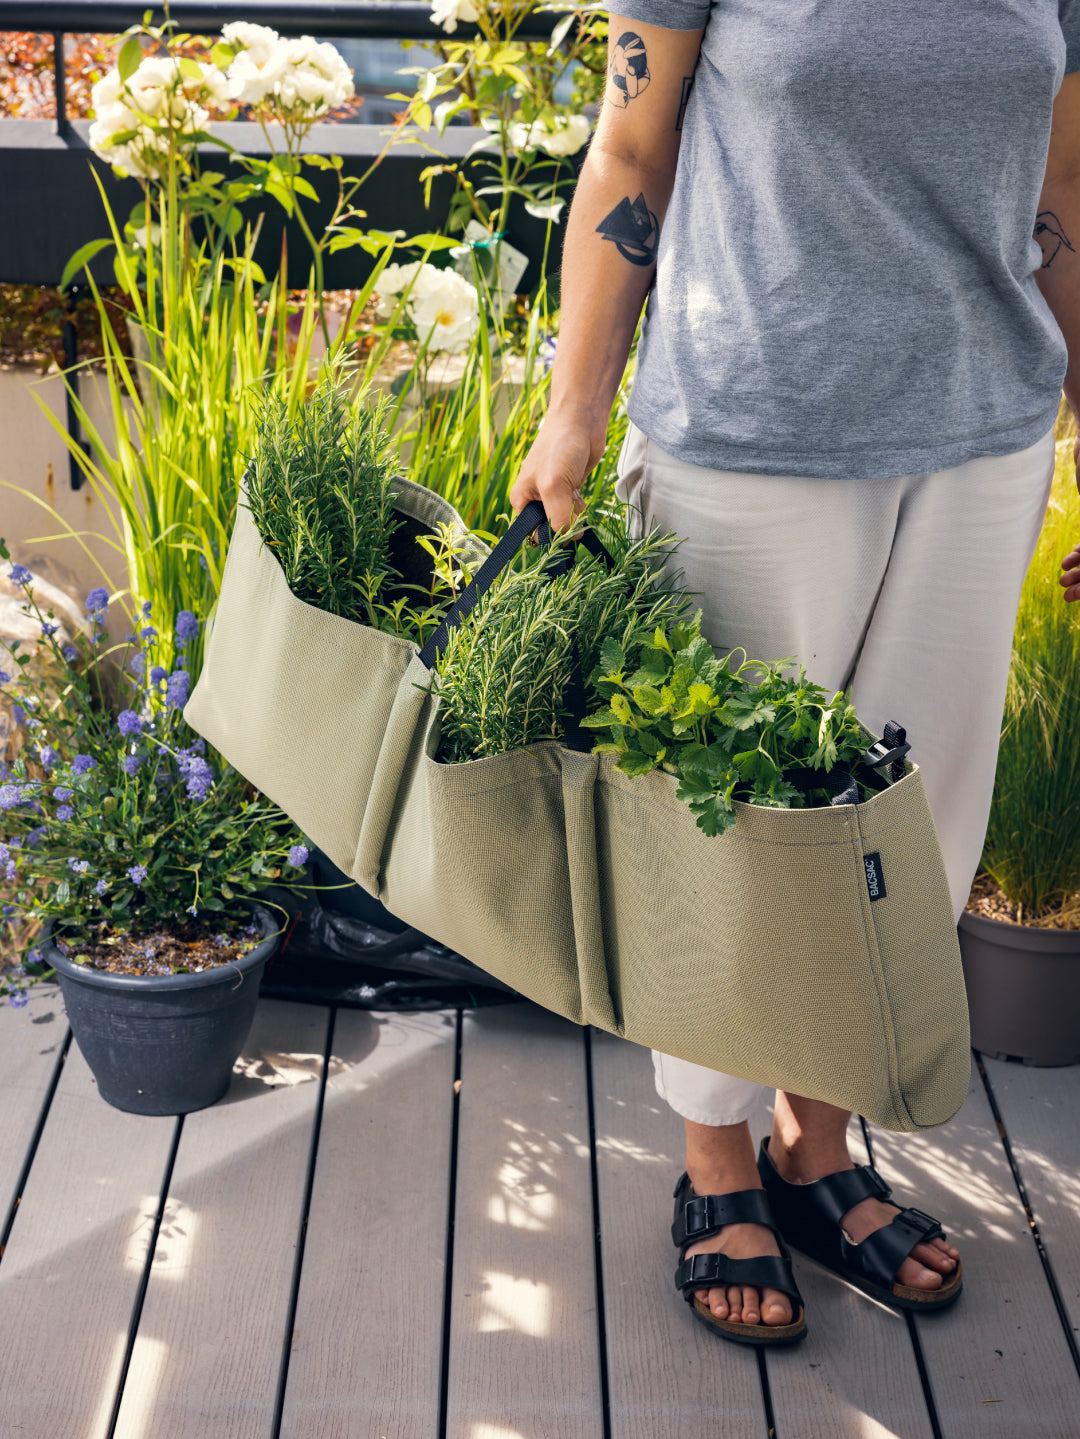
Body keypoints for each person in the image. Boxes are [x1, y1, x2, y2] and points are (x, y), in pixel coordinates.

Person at [510, 2, 1080, 1346]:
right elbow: (631, 150)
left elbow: (1060, 185)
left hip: (984, 439)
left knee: (908, 830)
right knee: (731, 833)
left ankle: (814, 1148)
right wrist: (572, 418)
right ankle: (716, 1161)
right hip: (751, 428)